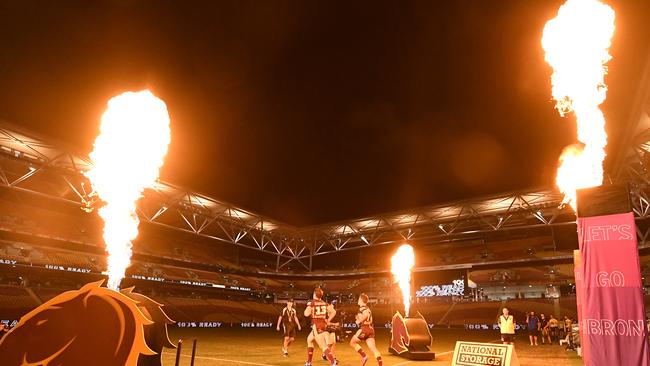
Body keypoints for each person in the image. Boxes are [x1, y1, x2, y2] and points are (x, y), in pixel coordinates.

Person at [304, 287, 337, 366]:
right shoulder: (325, 303)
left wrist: (308, 306)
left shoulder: (312, 303)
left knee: (323, 346)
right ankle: (308, 362)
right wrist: (328, 320)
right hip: (323, 324)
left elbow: (306, 314)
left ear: (314, 294)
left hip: (316, 326)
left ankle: (333, 362)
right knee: (309, 340)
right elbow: (334, 312)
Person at [349, 294, 382, 366]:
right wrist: (359, 319)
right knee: (373, 349)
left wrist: (359, 320)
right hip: (370, 329)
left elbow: (365, 315)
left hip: (364, 329)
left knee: (352, 343)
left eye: (358, 299)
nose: (357, 301)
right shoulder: (368, 308)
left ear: (361, 300)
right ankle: (381, 364)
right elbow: (371, 320)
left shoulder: (363, 308)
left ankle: (364, 356)